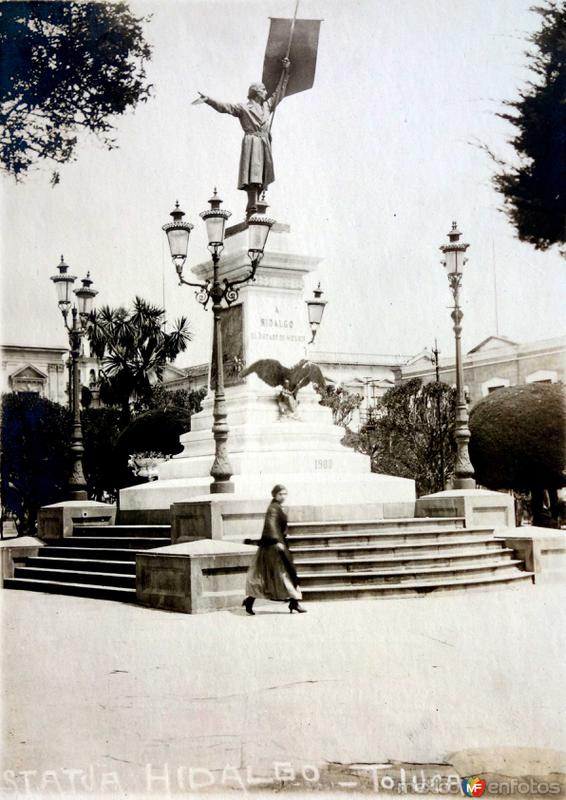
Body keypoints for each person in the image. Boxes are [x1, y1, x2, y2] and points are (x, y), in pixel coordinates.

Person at [195, 58, 291, 218]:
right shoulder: (244, 107)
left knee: (262, 176)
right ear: (256, 92)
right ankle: (252, 206)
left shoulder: (267, 106)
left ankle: (257, 204)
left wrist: (286, 71)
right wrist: (209, 100)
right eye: (264, 90)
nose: (266, 92)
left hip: (264, 143)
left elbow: (279, 92)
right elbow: (225, 107)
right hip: (252, 142)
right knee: (252, 176)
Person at [243, 484, 306, 614]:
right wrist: (276, 541)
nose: (283, 496)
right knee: (284, 575)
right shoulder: (273, 508)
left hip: (276, 545)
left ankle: (293, 602)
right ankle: (294, 602)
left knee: (278, 575)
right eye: (280, 494)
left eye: (285, 494)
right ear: (275, 495)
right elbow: (271, 524)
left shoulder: (276, 507)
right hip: (274, 548)